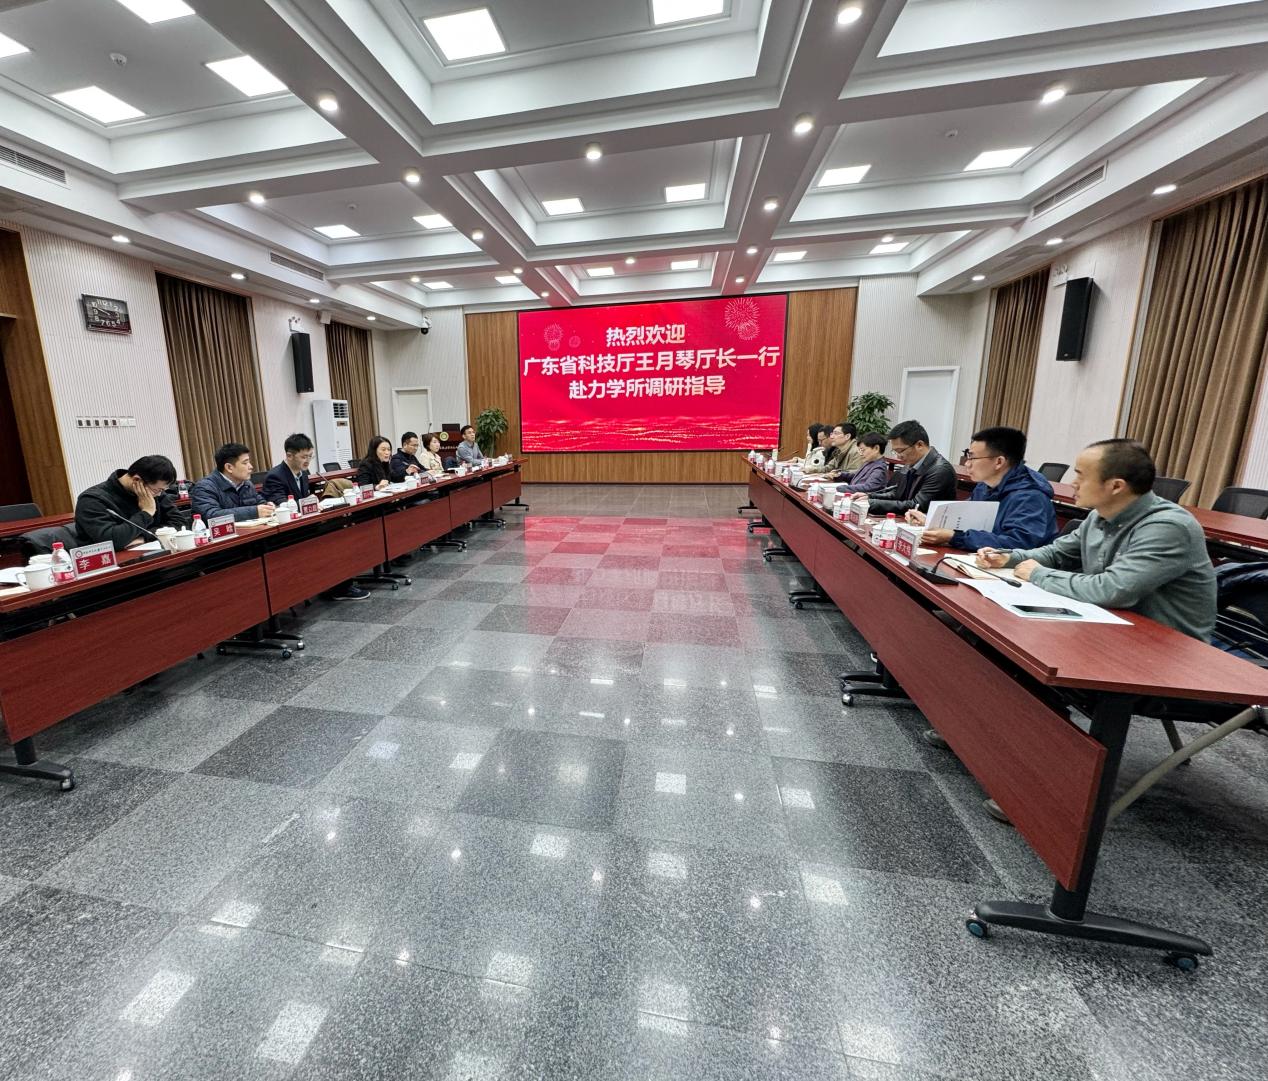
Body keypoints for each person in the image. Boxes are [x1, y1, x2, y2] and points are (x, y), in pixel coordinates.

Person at [977, 438, 1216, 641]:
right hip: (1112, 627)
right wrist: (1009, 557)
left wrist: (1038, 574)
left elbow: (1113, 589)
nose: (1073, 483)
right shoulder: (1099, 515)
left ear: (1116, 486)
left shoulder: (1167, 527)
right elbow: (1057, 553)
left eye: (1081, 476)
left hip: (1166, 649)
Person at [907, 426, 1058, 551]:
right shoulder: (984, 486)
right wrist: (931, 521)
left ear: (999, 462)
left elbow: (1017, 544)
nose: (967, 463)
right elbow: (965, 517)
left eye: (972, 457)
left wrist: (955, 537)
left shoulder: (1030, 497)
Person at [75, 454, 189, 549]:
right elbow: (112, 541)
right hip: (114, 564)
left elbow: (181, 524)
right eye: (158, 490)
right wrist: (146, 513)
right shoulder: (92, 500)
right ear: (137, 480)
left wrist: (144, 537)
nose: (159, 494)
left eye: (162, 490)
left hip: (154, 555)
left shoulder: (154, 491)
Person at [866, 420, 957, 516]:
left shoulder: (940, 470)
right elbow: (898, 493)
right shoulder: (912, 463)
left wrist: (871, 504)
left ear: (919, 445)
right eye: (895, 451)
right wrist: (869, 497)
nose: (898, 456)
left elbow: (917, 505)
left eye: (900, 451)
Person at [190, 443, 275, 522]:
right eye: (245, 463)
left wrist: (267, 506)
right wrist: (254, 512)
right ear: (229, 467)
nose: (251, 467)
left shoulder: (246, 483)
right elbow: (212, 515)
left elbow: (258, 501)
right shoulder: (205, 487)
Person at [261, 433, 316, 505]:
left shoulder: (304, 473)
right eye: (304, 457)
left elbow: (303, 497)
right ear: (289, 456)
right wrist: (308, 502)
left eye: (310, 456)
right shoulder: (274, 477)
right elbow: (282, 504)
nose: (308, 461)